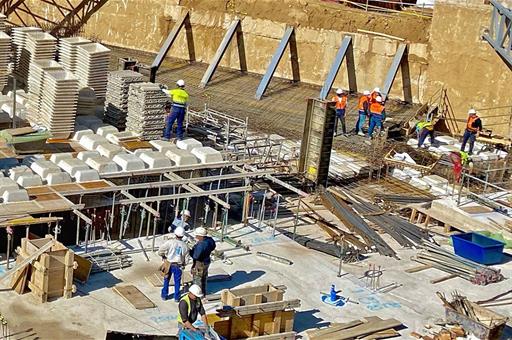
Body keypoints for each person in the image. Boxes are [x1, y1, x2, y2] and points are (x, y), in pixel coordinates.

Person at [158, 227, 189, 301]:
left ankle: (164, 296)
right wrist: (184, 264)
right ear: (183, 235)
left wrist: (164, 256)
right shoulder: (185, 246)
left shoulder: (170, 242)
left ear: (175, 234)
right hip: (178, 265)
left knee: (166, 279)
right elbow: (186, 259)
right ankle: (176, 297)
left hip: (168, 264)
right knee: (177, 282)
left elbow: (160, 251)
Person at [191, 227, 216, 295]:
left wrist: (191, 250)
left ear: (200, 236)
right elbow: (213, 246)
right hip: (207, 261)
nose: (196, 236)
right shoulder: (210, 240)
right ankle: (204, 292)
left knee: (197, 279)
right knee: (204, 277)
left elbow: (196, 256)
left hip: (200, 263)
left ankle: (198, 293)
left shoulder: (201, 244)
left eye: (197, 235)